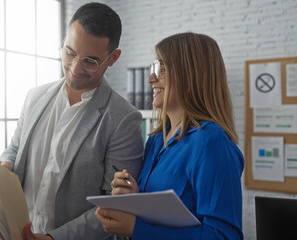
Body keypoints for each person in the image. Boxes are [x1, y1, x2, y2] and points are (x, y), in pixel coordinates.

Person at [0, 2, 144, 240]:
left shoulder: (123, 119)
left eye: (90, 61)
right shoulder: (34, 97)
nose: (75, 67)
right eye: (70, 52)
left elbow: (113, 207)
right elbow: (14, 150)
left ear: (113, 58)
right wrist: (3, 166)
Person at [95, 32, 244, 239]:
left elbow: (224, 236)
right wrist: (134, 198)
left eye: (162, 69)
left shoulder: (212, 143)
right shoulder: (156, 140)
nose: (151, 78)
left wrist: (136, 228)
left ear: (192, 74)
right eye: (153, 68)